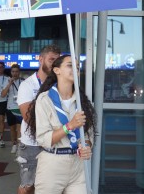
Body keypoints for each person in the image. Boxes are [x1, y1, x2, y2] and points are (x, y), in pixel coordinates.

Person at [27, 54, 97, 193]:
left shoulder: (82, 101)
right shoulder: (44, 99)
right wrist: (69, 126)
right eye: (70, 65)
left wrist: (87, 146)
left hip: (78, 165)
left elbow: (88, 135)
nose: (75, 69)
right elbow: (44, 139)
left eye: (77, 67)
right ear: (57, 70)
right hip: (53, 164)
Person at [16, 44, 61, 194]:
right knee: (28, 187)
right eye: (51, 59)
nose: (55, 63)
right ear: (41, 59)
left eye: (57, 60)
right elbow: (28, 118)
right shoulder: (27, 85)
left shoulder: (59, 85)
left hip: (54, 143)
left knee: (51, 186)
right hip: (32, 145)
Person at [1, 64, 24, 154]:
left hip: (20, 108)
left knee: (19, 129)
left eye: (16, 72)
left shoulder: (23, 81)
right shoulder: (7, 81)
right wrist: (9, 83)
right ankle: (14, 144)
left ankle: (18, 145)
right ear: (11, 72)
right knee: (12, 129)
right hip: (10, 108)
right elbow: (2, 94)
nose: (15, 73)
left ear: (19, 72)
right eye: (13, 72)